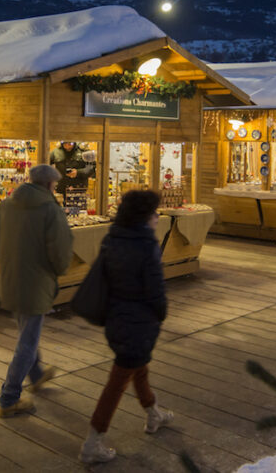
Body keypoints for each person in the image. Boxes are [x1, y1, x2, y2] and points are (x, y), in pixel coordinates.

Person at [80, 190, 174, 464]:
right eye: (155, 212)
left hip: (116, 317)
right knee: (118, 381)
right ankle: (92, 442)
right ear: (144, 216)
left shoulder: (113, 239)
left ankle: (153, 412)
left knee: (138, 369)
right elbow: (155, 290)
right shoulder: (146, 246)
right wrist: (161, 312)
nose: (158, 217)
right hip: (138, 321)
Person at [0, 164, 74, 418]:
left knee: (26, 330)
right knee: (27, 341)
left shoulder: (6, 205)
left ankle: (36, 375)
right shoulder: (50, 210)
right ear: (49, 185)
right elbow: (60, 251)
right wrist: (57, 271)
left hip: (11, 278)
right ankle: (9, 398)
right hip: (37, 282)